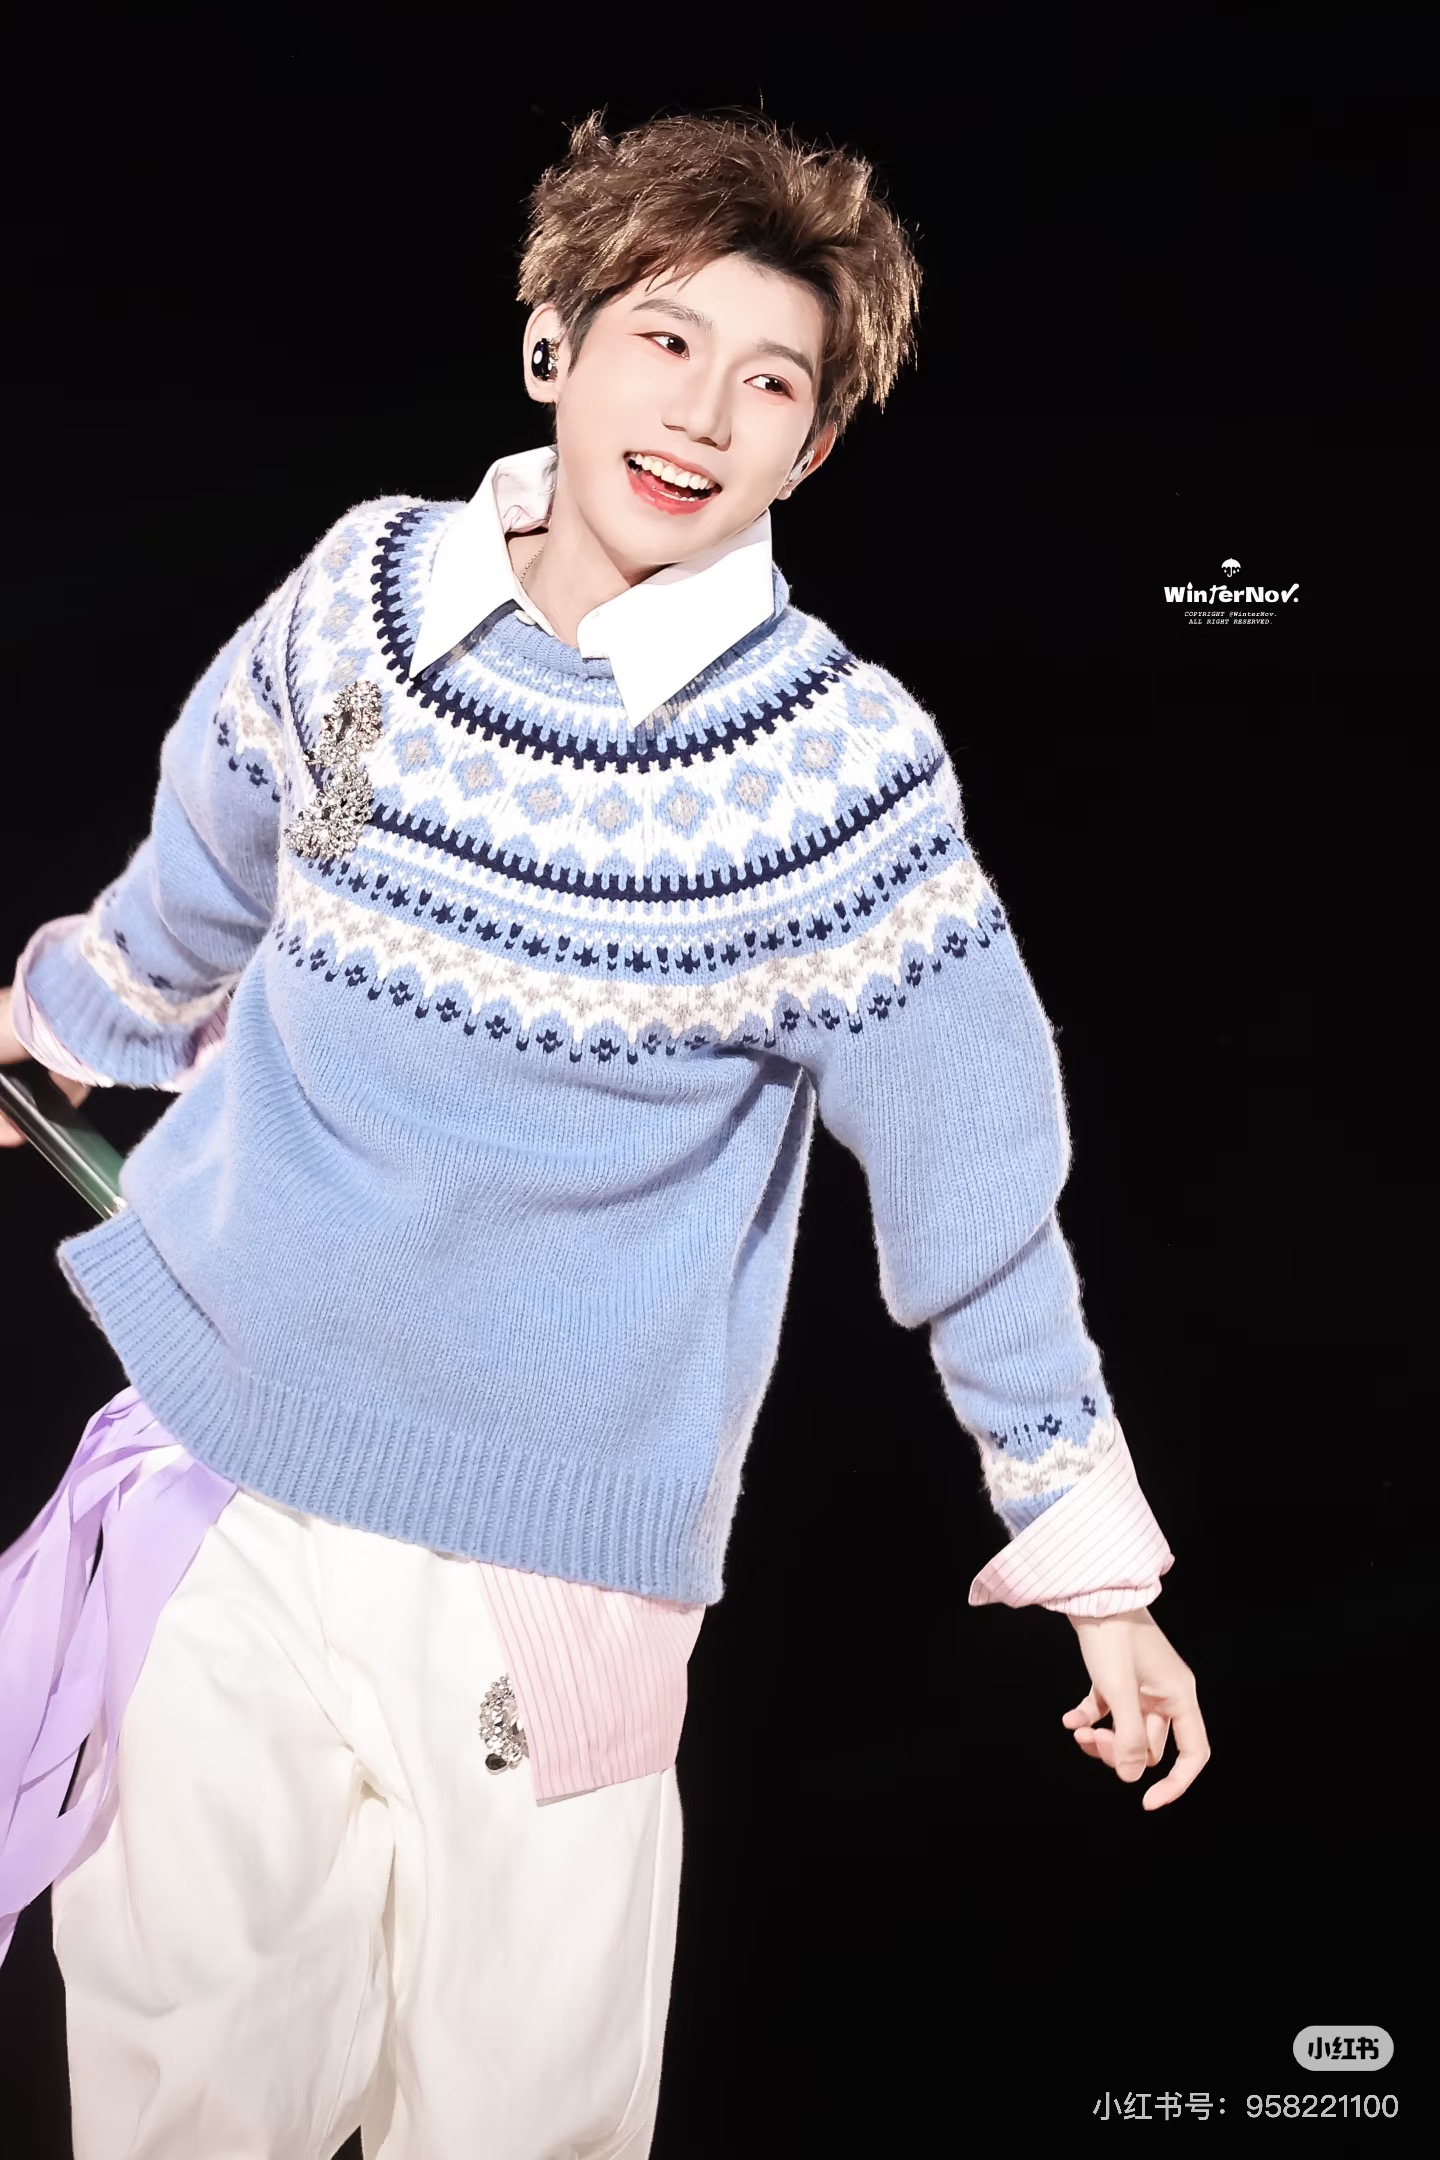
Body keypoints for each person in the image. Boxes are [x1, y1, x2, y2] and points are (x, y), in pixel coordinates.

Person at [0, 105, 1210, 2159]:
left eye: (774, 383)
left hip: (546, 1566)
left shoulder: (834, 775)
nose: (706, 413)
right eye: (666, 338)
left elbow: (979, 1185)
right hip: (227, 1475)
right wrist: (60, 1019)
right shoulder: (366, 597)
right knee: (179, 2108)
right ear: (553, 343)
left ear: (812, 449)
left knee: (513, 2128)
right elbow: (209, 870)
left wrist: (1096, 1568)